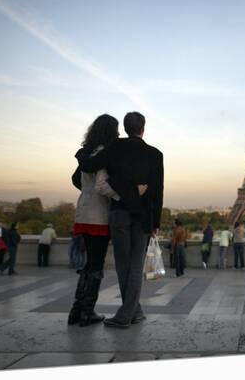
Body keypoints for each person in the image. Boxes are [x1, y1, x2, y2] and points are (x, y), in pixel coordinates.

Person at [78, 111, 164, 329]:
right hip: (144, 217)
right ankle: (133, 311)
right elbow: (157, 192)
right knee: (135, 266)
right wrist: (156, 223)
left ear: (125, 128)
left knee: (123, 265)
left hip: (119, 213)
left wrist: (81, 152)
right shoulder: (155, 154)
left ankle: (126, 314)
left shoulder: (114, 148)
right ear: (143, 128)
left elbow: (88, 165)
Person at [68, 114, 135, 326]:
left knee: (89, 265)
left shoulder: (87, 153)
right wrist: (122, 196)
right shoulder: (103, 154)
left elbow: (76, 179)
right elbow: (102, 186)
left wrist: (87, 193)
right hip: (98, 217)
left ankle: (76, 311)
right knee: (96, 265)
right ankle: (87, 313)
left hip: (83, 213)